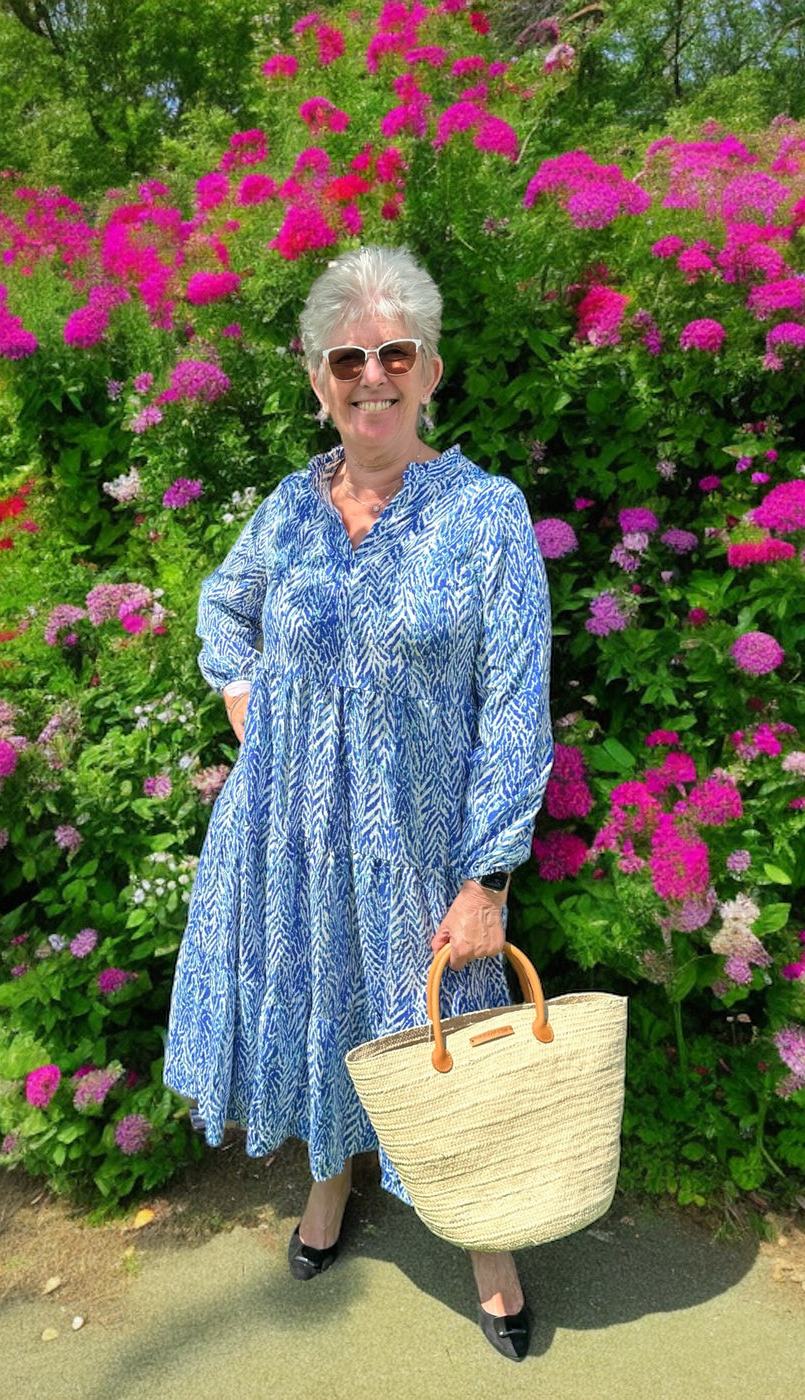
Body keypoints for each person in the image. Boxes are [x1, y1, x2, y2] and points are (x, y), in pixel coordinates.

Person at [163, 245, 552, 1360]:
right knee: (315, 1008)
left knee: (444, 1035)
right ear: (315, 376)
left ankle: (488, 1249)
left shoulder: (483, 515)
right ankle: (327, 1192)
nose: (369, 374)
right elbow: (221, 606)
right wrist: (239, 689)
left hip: (421, 848)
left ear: (428, 370)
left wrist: (486, 876)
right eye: (347, 356)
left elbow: (516, 706)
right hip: (282, 832)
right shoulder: (287, 511)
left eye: (392, 353)